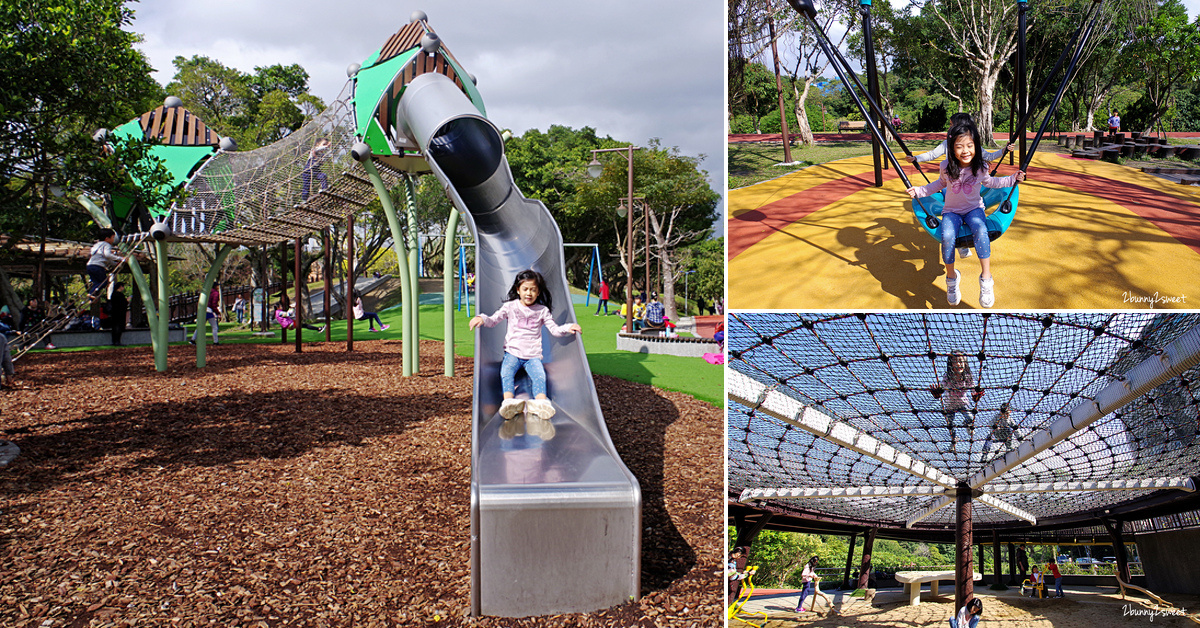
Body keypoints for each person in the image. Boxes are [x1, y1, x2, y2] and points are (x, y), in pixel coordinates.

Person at [908, 121, 1026, 307]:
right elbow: (938, 185)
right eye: (959, 146)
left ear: (976, 146)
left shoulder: (980, 167)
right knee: (946, 236)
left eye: (970, 146)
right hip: (951, 211)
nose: (965, 151)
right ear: (952, 148)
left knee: (981, 230)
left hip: (974, 209)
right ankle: (952, 279)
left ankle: (986, 279)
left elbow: (992, 183)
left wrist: (1013, 179)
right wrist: (920, 191)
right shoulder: (946, 167)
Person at [468, 269, 581, 421]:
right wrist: (482, 318)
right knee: (506, 372)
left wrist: (568, 327)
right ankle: (509, 401)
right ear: (518, 290)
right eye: (525, 289)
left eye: (533, 290)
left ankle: (541, 403)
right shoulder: (510, 307)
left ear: (539, 292)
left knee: (540, 376)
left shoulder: (542, 311)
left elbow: (554, 330)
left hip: (532, 356)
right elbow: (494, 319)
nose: (529, 293)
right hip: (513, 353)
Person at [930, 351, 983, 452]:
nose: (959, 364)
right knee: (949, 424)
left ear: (965, 363)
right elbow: (941, 388)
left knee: (971, 418)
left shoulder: (967, 377)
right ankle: (954, 440)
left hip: (963, 403)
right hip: (949, 405)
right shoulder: (948, 377)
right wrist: (938, 393)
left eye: (961, 361)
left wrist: (976, 396)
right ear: (951, 364)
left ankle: (967, 424)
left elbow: (973, 391)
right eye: (955, 362)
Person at [86, 229, 123, 301]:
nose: (113, 240)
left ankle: (91, 297)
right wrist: (120, 258)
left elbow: (107, 259)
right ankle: (92, 294)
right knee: (104, 282)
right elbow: (107, 255)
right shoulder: (106, 245)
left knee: (96, 283)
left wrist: (114, 264)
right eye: (112, 237)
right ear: (107, 238)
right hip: (98, 266)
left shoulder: (96, 245)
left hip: (90, 265)